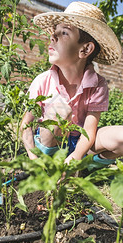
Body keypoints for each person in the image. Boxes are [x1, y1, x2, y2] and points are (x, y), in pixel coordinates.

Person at [20, 1, 123, 167]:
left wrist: (76, 156)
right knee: (60, 111)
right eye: (55, 32)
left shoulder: (97, 84)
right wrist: (33, 158)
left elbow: (89, 130)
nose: (53, 37)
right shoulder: (43, 80)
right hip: (49, 145)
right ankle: (51, 167)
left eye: (64, 33)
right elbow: (25, 125)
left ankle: (87, 168)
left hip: (81, 145)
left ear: (85, 49)